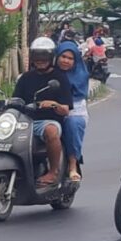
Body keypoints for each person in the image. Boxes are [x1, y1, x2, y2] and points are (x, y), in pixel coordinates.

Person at [12, 37, 73, 186]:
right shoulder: (25, 78)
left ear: (51, 57)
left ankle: (53, 172)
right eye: (37, 57)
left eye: (44, 57)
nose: (40, 60)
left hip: (47, 121)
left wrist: (54, 104)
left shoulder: (59, 78)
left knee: (51, 131)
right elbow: (16, 100)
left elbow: (65, 110)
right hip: (25, 121)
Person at [56, 39, 90, 183]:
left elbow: (76, 102)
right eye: (63, 57)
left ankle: (72, 166)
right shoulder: (49, 73)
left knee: (72, 123)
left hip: (74, 112)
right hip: (49, 113)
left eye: (70, 58)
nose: (66, 61)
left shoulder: (80, 76)